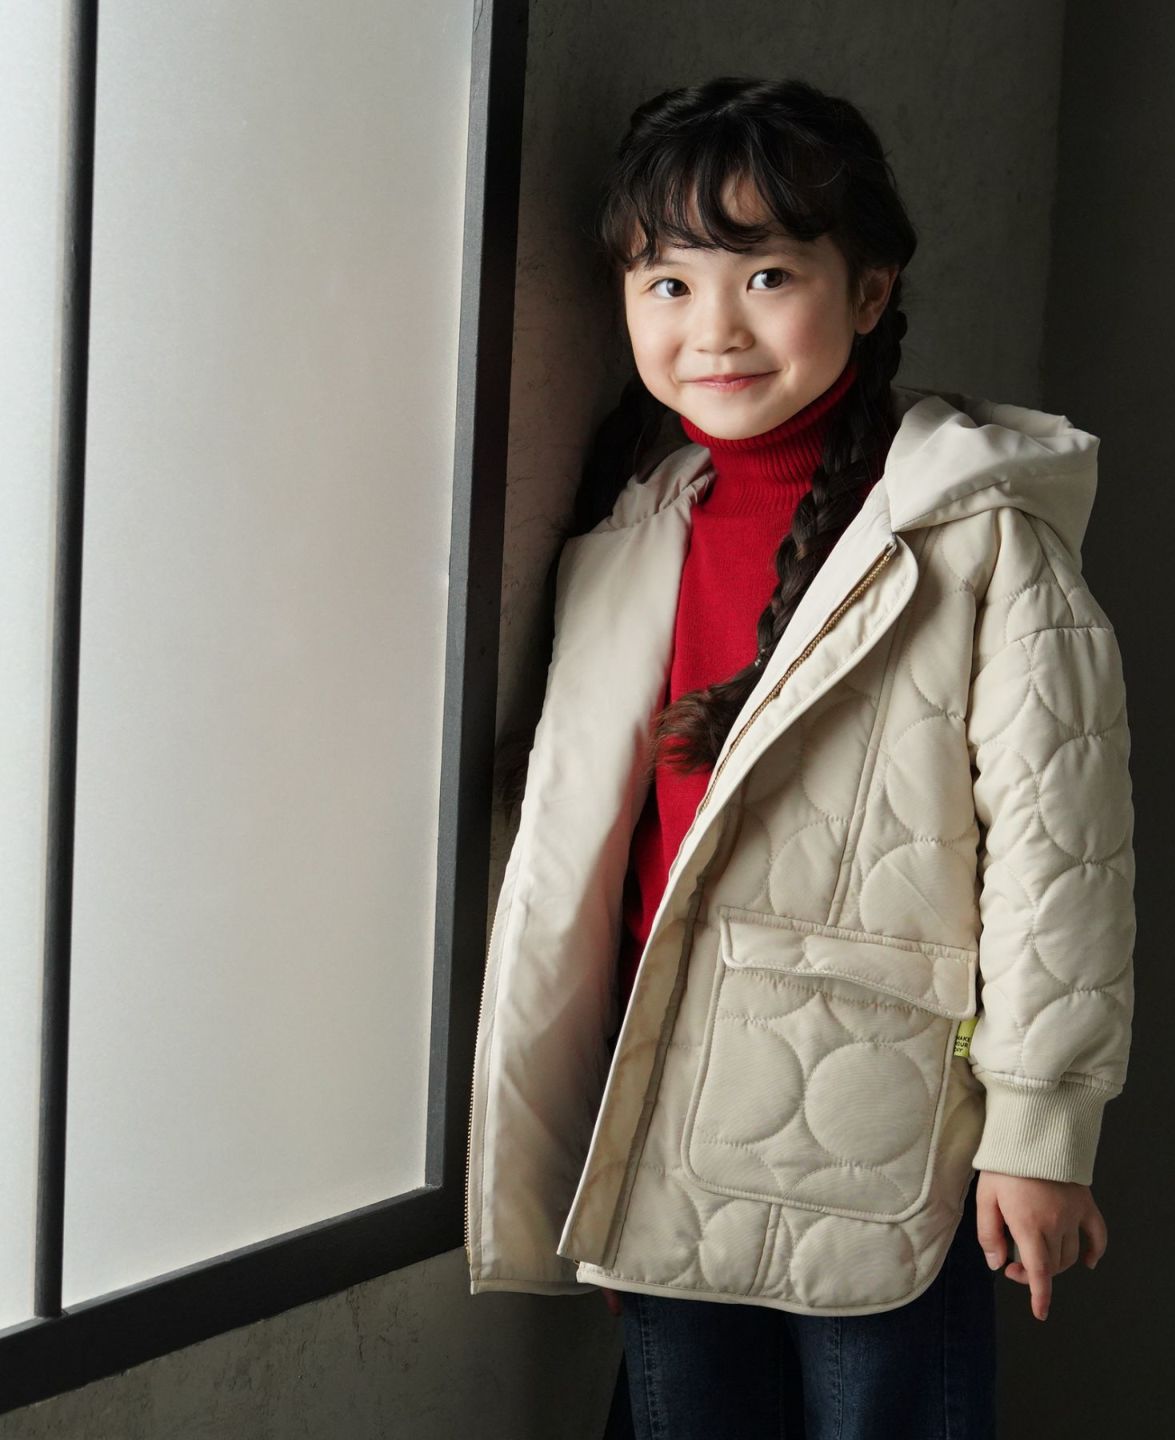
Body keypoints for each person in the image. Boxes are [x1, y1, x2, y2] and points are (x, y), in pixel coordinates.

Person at [465, 75, 1135, 1440]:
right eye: (668, 283)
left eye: (767, 275)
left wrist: (1040, 1131)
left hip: (885, 1133)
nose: (714, 328)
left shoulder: (976, 535)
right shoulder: (635, 525)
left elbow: (1063, 862)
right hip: (670, 1113)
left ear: (870, 291)